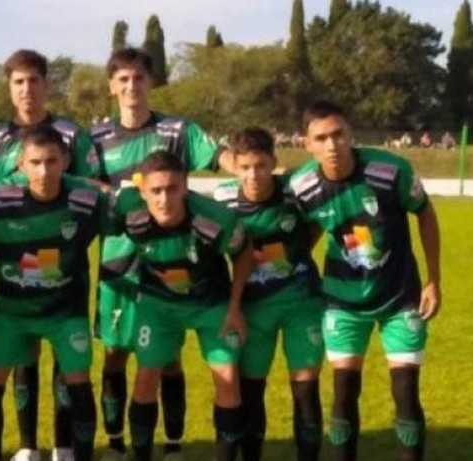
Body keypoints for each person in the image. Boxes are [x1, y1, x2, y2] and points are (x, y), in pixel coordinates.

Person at [93, 47, 228, 461]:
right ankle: (116, 443)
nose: (132, 86)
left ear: (150, 81)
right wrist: (121, 196)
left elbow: (220, 157)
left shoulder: (176, 130)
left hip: (170, 257)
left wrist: (252, 169)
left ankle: (171, 445)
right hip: (119, 261)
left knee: (167, 357)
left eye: (139, 77)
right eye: (123, 79)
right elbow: (82, 182)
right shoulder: (97, 138)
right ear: (112, 86)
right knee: (115, 353)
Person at [290, 100, 441, 460]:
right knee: (344, 393)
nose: (332, 145)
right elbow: (308, 228)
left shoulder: (391, 171)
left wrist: (434, 280)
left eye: (338, 134)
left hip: (399, 295)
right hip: (342, 300)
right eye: (321, 138)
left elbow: (425, 213)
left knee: (405, 392)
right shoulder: (301, 187)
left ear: (351, 134)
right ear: (306, 144)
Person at [0, 125, 108, 461]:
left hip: (65, 313)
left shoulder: (86, 196)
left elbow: (133, 206)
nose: (44, 171)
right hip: (12, 312)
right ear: (20, 165)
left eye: (52, 161)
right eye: (35, 162)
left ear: (65, 161)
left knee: (79, 384)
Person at [0, 49, 100, 461]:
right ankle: (28, 446)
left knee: (68, 366)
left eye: (34, 81)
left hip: (66, 272)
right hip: (16, 268)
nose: (27, 89)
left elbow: (93, 190)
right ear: (9, 87)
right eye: (19, 82)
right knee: (22, 360)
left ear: (47, 85)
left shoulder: (72, 134)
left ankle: (65, 447)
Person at [108, 152, 253, 461]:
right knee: (146, 377)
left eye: (172, 188)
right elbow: (95, 206)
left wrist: (234, 307)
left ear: (186, 187)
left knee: (227, 379)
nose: (164, 199)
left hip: (211, 305)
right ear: (142, 190)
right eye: (156, 190)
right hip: (158, 306)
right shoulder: (128, 210)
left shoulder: (216, 220)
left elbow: (243, 252)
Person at [213, 128, 324, 460]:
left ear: (274, 163)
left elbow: (319, 221)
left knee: (305, 391)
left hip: (301, 303)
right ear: (234, 166)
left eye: (261, 165)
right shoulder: (222, 200)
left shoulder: (294, 193)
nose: (253, 175)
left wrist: (297, 254)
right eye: (245, 167)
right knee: (251, 391)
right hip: (252, 309)